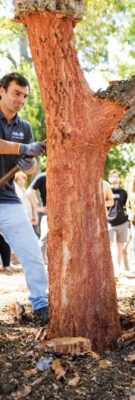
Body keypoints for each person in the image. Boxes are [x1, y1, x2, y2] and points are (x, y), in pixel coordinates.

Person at [0, 72, 48, 323]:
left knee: (32, 253)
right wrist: (21, 148)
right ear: (2, 91)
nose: (21, 100)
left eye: (25, 96)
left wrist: (27, 161)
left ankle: (41, 302)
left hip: (7, 200)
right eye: (16, 93)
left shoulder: (25, 127)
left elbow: (30, 168)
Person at [107, 169, 129, 274]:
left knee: (120, 247)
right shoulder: (107, 190)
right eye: (112, 176)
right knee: (109, 247)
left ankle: (118, 267)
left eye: (116, 176)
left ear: (119, 178)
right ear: (109, 179)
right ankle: (110, 268)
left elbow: (127, 206)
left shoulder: (123, 192)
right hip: (109, 222)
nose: (114, 178)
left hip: (122, 222)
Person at [27, 172, 47, 260]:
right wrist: (37, 208)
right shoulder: (43, 176)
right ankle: (40, 263)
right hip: (48, 213)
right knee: (44, 239)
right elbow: (29, 192)